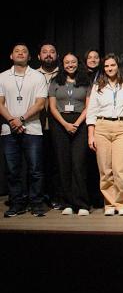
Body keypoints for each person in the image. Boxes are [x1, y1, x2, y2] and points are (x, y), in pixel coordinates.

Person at [0, 44, 48, 217]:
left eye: (24, 51)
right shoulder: (2, 77)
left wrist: (21, 119)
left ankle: (36, 203)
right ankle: (17, 203)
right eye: (17, 51)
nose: (20, 53)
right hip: (8, 129)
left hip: (32, 129)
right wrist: (12, 120)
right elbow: (0, 103)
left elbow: (40, 103)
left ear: (29, 57)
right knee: (13, 170)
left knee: (35, 169)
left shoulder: (37, 76)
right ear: (11, 56)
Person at [86, 54, 123, 216]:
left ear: (118, 66)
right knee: (105, 170)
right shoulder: (98, 86)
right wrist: (91, 135)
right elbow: (91, 112)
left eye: (112, 65)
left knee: (121, 170)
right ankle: (110, 204)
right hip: (102, 127)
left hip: (122, 127)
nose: (110, 68)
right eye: (106, 66)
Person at [47, 52, 91, 215]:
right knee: (63, 163)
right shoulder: (55, 81)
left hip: (80, 123)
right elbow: (52, 107)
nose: (70, 65)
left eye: (73, 62)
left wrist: (77, 123)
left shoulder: (86, 81)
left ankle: (82, 204)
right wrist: (65, 124)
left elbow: (88, 106)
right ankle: (67, 203)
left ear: (77, 63)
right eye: (67, 62)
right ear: (63, 64)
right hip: (60, 124)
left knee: (78, 164)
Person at [37, 42, 60, 208]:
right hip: (37, 126)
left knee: (57, 164)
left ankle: (56, 196)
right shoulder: (32, 74)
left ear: (57, 55)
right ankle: (39, 197)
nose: (48, 54)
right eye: (44, 52)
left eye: (52, 51)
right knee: (38, 164)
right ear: (39, 56)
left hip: (58, 126)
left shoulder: (63, 74)